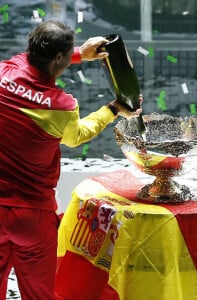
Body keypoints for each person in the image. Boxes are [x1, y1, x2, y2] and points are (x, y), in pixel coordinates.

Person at [0, 20, 142, 300]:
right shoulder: (62, 107)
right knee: (39, 294)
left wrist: (78, 53)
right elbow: (77, 136)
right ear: (58, 58)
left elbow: (27, 61)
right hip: (32, 216)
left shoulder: (4, 71)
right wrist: (114, 109)